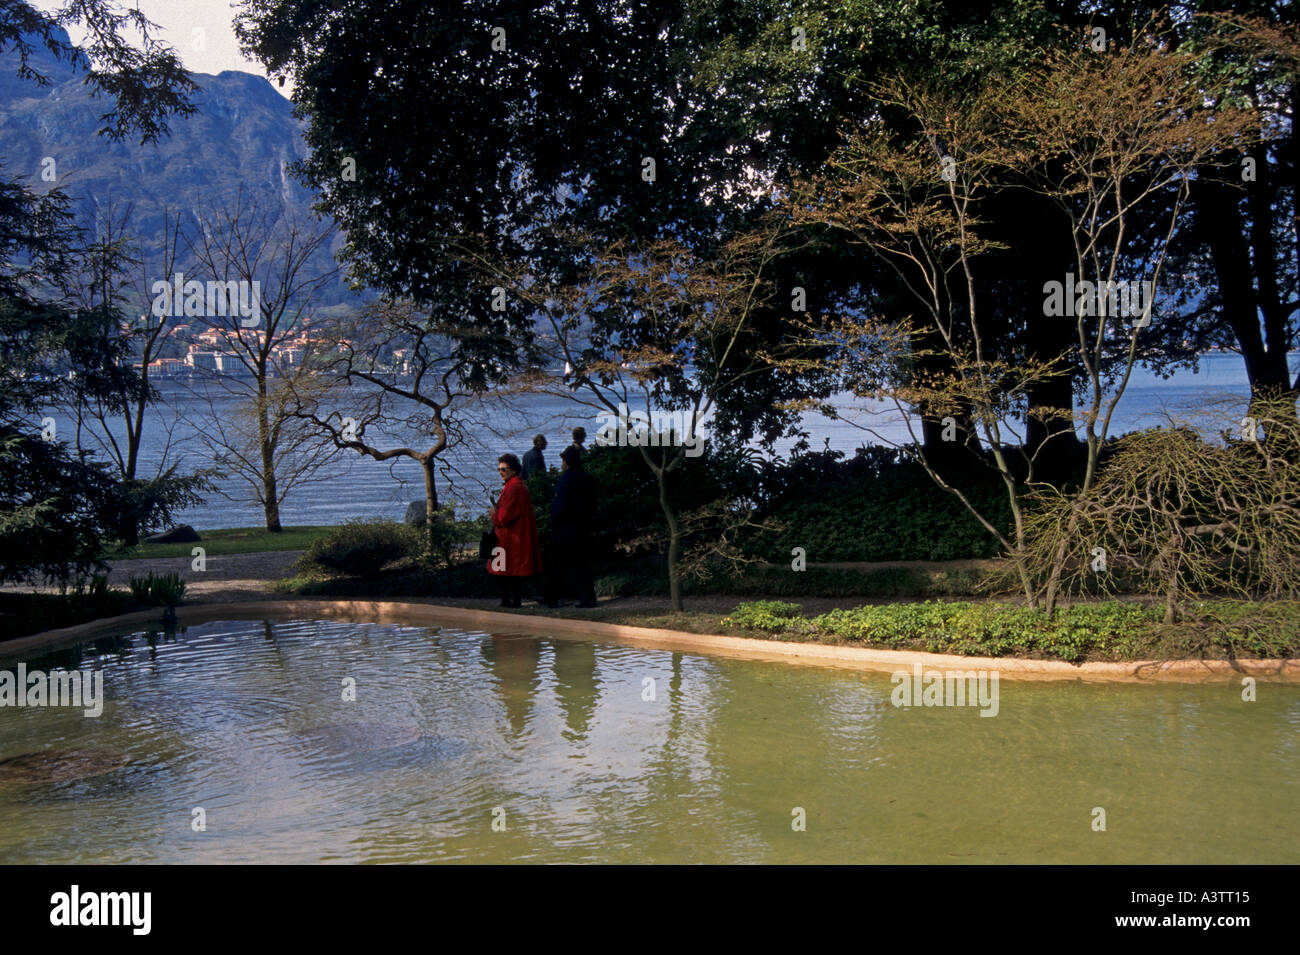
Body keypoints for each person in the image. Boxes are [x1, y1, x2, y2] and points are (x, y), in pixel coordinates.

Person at [547, 445, 598, 608]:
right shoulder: (587, 477)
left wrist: (554, 522)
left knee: (558, 564)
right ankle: (587, 598)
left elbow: (559, 505)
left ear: (567, 462)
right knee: (582, 565)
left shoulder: (566, 479)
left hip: (565, 529)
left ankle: (553, 597)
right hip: (583, 527)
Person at [488, 453, 541, 607]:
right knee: (513, 572)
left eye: (503, 469)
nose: (500, 472)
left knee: (502, 571)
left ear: (512, 470)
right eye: (499, 469)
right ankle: (514, 600)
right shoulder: (519, 485)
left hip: (509, 537)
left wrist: (494, 515)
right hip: (515, 536)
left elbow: (504, 517)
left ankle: (508, 600)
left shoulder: (513, 488)